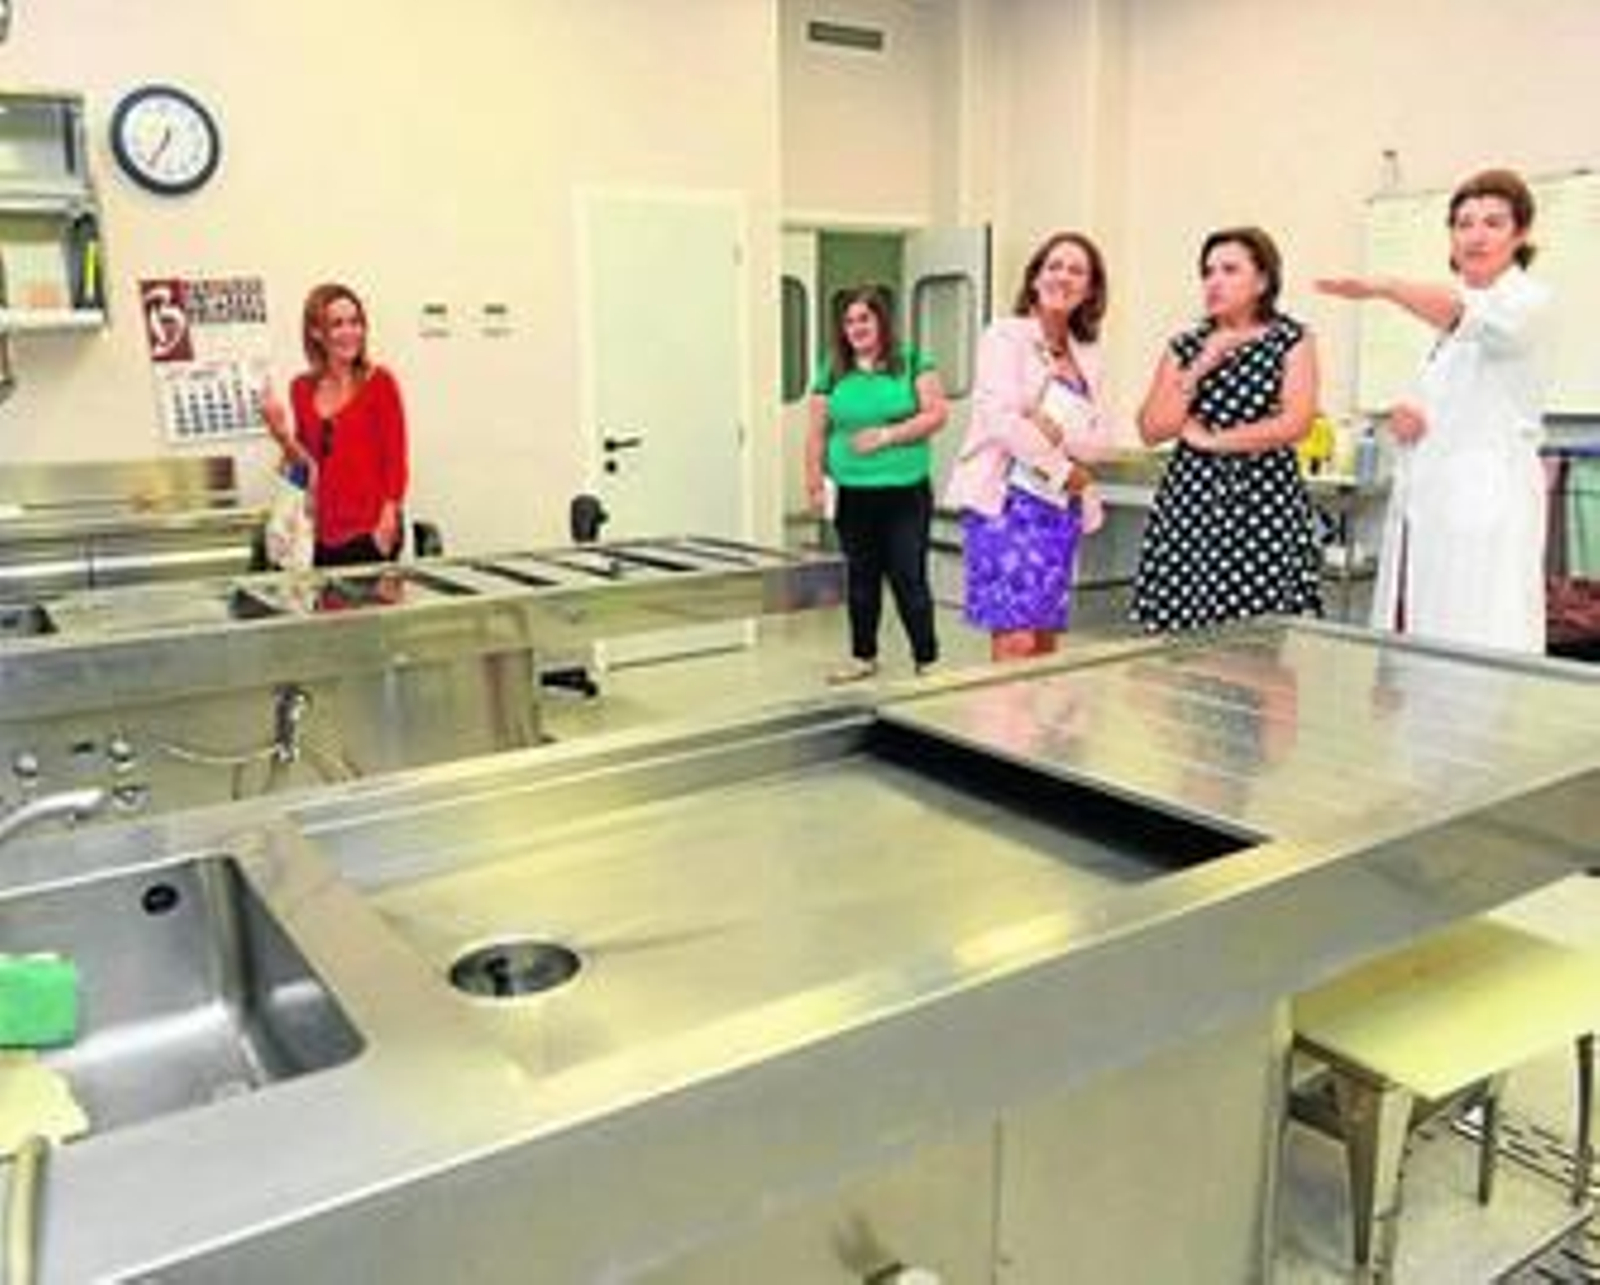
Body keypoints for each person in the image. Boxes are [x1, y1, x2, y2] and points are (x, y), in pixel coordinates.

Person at [1317, 168, 1548, 654]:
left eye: (1493, 222)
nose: (1476, 235)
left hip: (1488, 501)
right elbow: (1453, 396)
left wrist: (1386, 286)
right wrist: (1410, 416)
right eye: (1463, 223)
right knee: (1426, 639)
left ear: (1520, 233)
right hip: (1437, 502)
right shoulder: (1447, 324)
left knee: (1482, 641)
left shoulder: (1527, 300)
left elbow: (1472, 322)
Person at [1131, 226, 1321, 632]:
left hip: (1263, 501)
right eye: (1208, 271)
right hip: (1191, 500)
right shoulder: (1186, 345)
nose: (1214, 281)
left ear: (1263, 280)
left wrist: (1216, 442)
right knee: (1181, 637)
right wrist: (1200, 366)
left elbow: (1297, 422)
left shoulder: (1290, 339)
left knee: (1262, 639)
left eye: (1229, 269)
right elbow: (1152, 428)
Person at [944, 231, 1113, 662]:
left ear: (1091, 288)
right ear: (1035, 279)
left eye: (1077, 270)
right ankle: (999, 730)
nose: (1063, 277)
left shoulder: (1088, 353)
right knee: (1015, 636)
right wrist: (1060, 466)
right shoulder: (1006, 336)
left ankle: (1035, 731)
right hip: (1007, 503)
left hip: (1058, 509)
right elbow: (1002, 421)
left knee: (1044, 639)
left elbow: (1098, 441)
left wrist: (1047, 426)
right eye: (1053, 266)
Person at [805, 284, 949, 681]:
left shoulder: (912, 362)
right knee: (861, 578)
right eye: (849, 321)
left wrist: (887, 436)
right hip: (853, 494)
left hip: (905, 492)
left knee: (908, 575)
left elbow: (937, 414)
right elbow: (816, 432)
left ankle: (927, 659)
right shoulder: (832, 369)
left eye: (864, 318)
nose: (856, 327)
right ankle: (862, 655)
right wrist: (814, 481)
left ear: (880, 321)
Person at [265, 282, 409, 567]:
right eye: (337, 324)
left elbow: (396, 459)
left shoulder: (380, 383)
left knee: (373, 612)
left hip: (371, 530)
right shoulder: (301, 388)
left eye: (356, 322)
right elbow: (306, 468)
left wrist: (389, 517)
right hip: (319, 533)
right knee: (326, 611)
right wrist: (281, 435)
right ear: (316, 332)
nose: (350, 332)